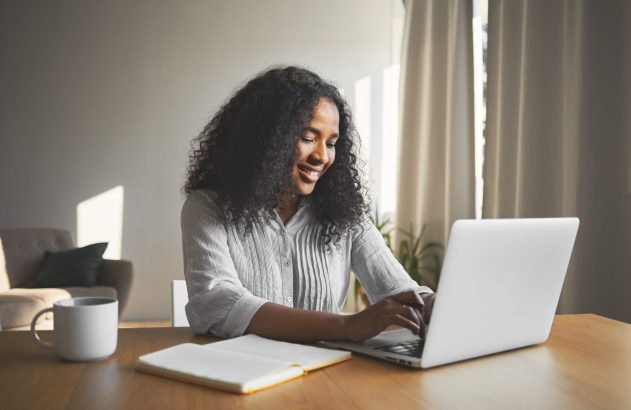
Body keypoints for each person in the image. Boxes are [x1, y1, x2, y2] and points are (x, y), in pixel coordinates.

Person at [181, 66, 435, 343]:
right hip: (244, 375)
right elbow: (217, 303)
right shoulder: (207, 206)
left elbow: (399, 291)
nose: (322, 157)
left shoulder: (346, 216)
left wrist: (435, 305)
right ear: (266, 138)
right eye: (308, 138)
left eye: (331, 143)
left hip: (326, 377)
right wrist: (346, 326)